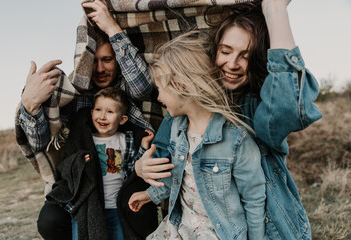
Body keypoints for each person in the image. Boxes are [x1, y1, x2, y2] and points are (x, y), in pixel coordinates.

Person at [134, 0, 322, 239]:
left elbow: (289, 107)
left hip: (266, 229)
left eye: (245, 55)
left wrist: (274, 10)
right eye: (225, 51)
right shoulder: (187, 106)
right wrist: (142, 167)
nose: (232, 64)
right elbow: (166, 161)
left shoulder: (255, 107)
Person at [18, 0, 157, 239]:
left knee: (134, 216)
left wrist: (112, 28)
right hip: (83, 181)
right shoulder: (74, 94)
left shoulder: (127, 87)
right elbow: (40, 142)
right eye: (95, 60)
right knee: (50, 221)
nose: (100, 68)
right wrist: (30, 105)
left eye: (108, 60)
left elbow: (142, 88)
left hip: (125, 183)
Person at [128, 31, 267, 240]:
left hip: (217, 233)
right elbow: (176, 176)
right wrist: (150, 195)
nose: (158, 97)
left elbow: (254, 199)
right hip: (181, 227)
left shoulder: (236, 140)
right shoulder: (177, 128)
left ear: (180, 86)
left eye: (160, 89)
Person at [46, 87, 155, 240]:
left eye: (110, 112)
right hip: (90, 207)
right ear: (92, 113)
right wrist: (79, 163)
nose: (102, 116)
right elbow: (66, 166)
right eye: (98, 110)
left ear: (122, 119)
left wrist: (143, 145)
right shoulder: (86, 139)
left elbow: (133, 169)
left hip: (116, 208)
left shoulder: (125, 140)